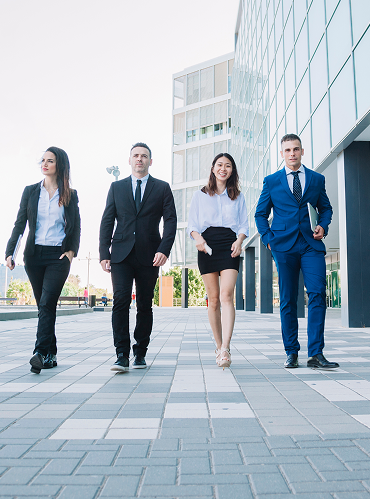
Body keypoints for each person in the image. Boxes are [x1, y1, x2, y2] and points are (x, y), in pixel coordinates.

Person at [255, 134, 338, 370]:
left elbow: (326, 208)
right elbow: (260, 214)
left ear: (302, 151)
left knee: (317, 294)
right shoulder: (271, 181)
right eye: (288, 150)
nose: (292, 153)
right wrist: (269, 240)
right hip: (283, 246)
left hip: (311, 244)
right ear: (282, 154)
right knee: (288, 299)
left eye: (296, 149)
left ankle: (316, 353)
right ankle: (291, 352)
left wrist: (323, 225)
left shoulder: (316, 179)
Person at [99, 142, 177, 372]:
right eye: (136, 156)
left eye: (144, 156)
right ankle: (121, 354)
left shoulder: (162, 188)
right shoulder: (117, 188)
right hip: (121, 255)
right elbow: (107, 220)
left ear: (150, 161)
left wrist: (164, 249)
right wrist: (104, 252)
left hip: (150, 255)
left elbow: (170, 221)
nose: (140, 159)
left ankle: (140, 351)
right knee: (121, 301)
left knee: (144, 304)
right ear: (130, 160)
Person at [5, 147, 81, 374]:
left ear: (60, 165)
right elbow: (20, 225)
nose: (45, 164)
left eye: (50, 161)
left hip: (58, 256)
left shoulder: (70, 194)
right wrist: (11, 253)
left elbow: (76, 226)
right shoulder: (30, 192)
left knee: (47, 303)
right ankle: (51, 353)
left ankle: (39, 352)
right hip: (34, 256)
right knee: (43, 306)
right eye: (43, 160)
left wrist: (71, 252)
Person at [187, 153, 248, 369]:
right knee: (213, 300)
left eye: (228, 166)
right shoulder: (199, 196)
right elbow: (192, 225)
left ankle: (226, 349)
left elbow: (243, 225)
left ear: (232, 171)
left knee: (226, 295)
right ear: (213, 168)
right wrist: (199, 240)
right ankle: (218, 344)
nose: (223, 169)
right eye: (220, 165)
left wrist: (240, 241)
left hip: (230, 246)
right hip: (207, 246)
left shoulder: (238, 196)